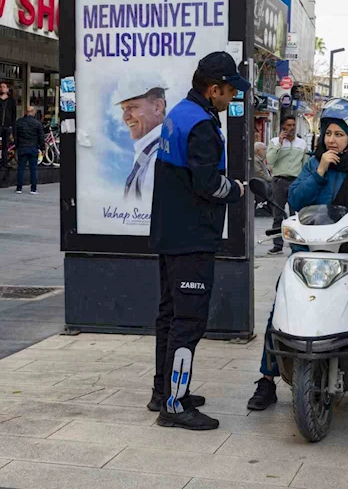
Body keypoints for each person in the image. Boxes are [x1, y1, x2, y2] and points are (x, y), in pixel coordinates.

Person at [247, 98, 348, 415]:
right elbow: (296, 199)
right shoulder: (312, 163)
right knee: (279, 310)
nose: (332, 139)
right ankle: (266, 379)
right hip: (308, 251)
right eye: (328, 133)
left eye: (339, 134)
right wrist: (319, 170)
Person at [147, 52, 249, 431]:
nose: (231, 98)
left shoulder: (180, 113)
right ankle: (174, 405)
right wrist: (238, 190)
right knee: (188, 322)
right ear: (213, 89)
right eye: (229, 91)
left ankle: (164, 390)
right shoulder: (202, 126)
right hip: (191, 237)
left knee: (170, 316)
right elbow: (208, 185)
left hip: (171, 234)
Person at [113, 74, 168, 201]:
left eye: (132, 107)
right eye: (123, 109)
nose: (125, 117)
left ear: (157, 107)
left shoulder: (157, 157)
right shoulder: (153, 148)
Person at [266, 114, 309, 255]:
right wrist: (279, 142)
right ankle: (277, 245)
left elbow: (305, 164)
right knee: (278, 214)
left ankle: (295, 244)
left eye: (293, 125)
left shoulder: (301, 144)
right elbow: (270, 160)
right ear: (283, 126)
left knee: (295, 215)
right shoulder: (274, 142)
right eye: (288, 125)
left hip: (295, 182)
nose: (291, 128)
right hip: (279, 181)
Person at [14, 105, 44, 195]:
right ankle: (33, 189)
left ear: (26, 112)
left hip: (22, 148)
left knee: (21, 169)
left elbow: (15, 136)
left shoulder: (19, 122)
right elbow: (41, 137)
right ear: (33, 112)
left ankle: (19, 188)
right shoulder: (37, 123)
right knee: (33, 169)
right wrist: (42, 148)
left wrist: (17, 146)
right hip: (33, 148)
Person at [0, 82, 17, 169]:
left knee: (6, 145)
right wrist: (0, 99)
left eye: (4, 87)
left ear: (7, 89)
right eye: (0, 87)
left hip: (7, 125)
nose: (2, 88)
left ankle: (4, 162)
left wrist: (13, 127)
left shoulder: (11, 100)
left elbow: (14, 114)